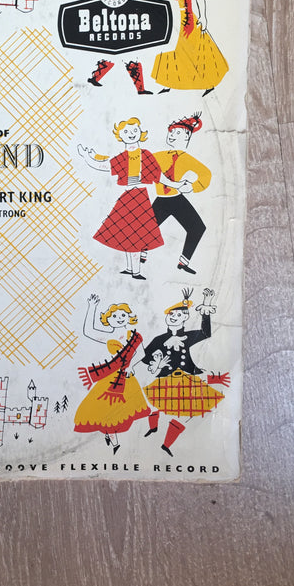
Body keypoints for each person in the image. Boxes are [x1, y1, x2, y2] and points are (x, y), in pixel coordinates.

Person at [78, 117, 178, 280]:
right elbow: (106, 166)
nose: (131, 134)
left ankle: (136, 271)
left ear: (140, 133)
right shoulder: (123, 157)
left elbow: (158, 175)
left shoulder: (146, 155)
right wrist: (87, 158)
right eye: (126, 131)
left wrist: (176, 184)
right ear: (120, 135)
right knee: (126, 233)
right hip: (127, 197)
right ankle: (131, 268)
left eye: (134, 130)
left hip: (140, 198)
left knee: (136, 236)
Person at [139, 288, 230, 456]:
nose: (174, 317)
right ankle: (153, 428)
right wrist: (156, 362)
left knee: (186, 414)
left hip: (186, 381)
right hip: (164, 380)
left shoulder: (188, 337)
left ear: (185, 317)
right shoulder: (159, 339)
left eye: (179, 314)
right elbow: (144, 359)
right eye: (171, 314)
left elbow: (205, 333)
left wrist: (206, 307)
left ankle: (166, 444)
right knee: (152, 406)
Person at [150, 0, 228, 95]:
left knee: (195, 51)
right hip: (174, 17)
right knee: (171, 48)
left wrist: (203, 16)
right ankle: (168, 82)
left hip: (188, 19)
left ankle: (208, 83)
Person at [74, 294, 150, 453]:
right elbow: (88, 331)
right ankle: (113, 439)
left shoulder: (134, 336)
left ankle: (112, 437)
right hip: (109, 378)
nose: (119, 318)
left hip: (127, 379)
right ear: (108, 319)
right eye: (114, 316)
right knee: (103, 410)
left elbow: (142, 354)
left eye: (123, 315)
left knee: (121, 411)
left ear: (129, 317)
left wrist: (131, 366)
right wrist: (92, 307)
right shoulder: (108, 336)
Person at [140, 112, 211, 274]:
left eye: (177, 133)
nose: (171, 135)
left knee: (198, 228)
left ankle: (183, 262)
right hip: (162, 200)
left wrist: (192, 187)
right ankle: (140, 255)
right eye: (171, 132)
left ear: (186, 136)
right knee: (145, 227)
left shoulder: (188, 159)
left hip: (177, 200)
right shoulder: (158, 156)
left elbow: (206, 174)